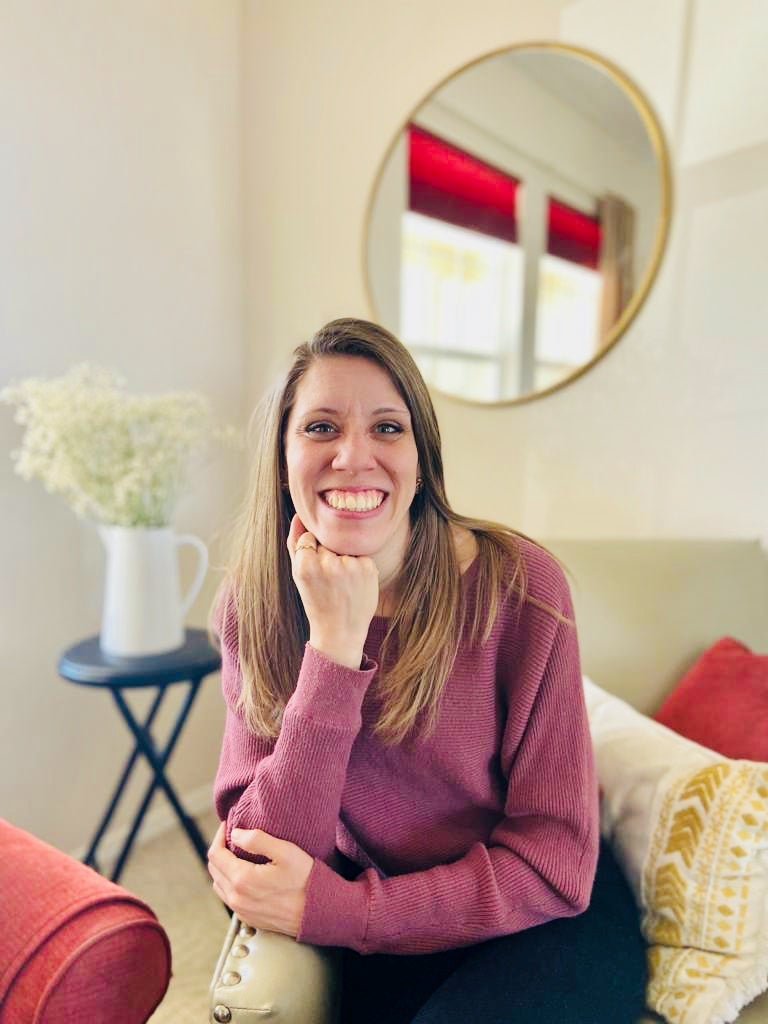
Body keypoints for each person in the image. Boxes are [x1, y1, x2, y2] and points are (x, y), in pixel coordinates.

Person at [206, 318, 647, 1023]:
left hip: (535, 923)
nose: (353, 456)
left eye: (387, 428)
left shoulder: (521, 590)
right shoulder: (252, 606)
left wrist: (351, 910)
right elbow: (261, 859)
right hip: (385, 929)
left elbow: (554, 860)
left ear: (421, 459)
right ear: (282, 458)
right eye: (320, 427)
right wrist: (333, 650)